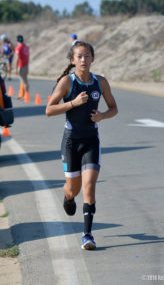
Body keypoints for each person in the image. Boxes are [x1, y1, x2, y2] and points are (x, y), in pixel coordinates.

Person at [46, 41, 118, 250]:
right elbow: (49, 110)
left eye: (87, 56)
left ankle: (87, 235)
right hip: (71, 142)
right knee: (74, 189)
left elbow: (114, 107)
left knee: (89, 187)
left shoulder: (100, 82)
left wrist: (102, 116)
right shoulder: (67, 83)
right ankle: (68, 196)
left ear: (93, 59)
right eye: (79, 56)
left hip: (91, 142)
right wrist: (73, 103)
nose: (83, 60)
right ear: (72, 60)